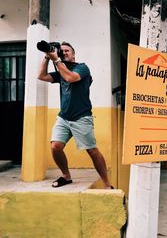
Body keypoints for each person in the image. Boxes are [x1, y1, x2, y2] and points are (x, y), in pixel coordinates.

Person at [38, 41, 113, 189]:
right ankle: (66, 176)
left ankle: (107, 183)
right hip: (63, 117)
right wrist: (47, 57)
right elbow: (42, 76)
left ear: (73, 54)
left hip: (81, 117)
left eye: (67, 51)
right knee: (55, 147)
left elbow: (71, 78)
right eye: (62, 51)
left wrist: (57, 60)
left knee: (92, 150)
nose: (64, 52)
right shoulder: (60, 69)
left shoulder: (82, 67)